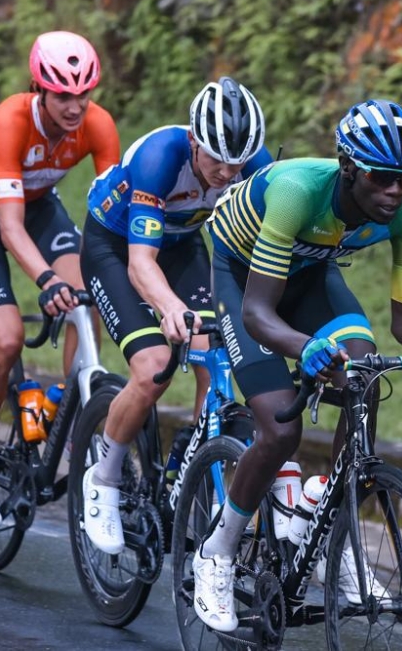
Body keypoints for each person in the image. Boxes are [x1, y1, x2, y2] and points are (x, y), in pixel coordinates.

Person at [193, 98, 402, 631]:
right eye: (382, 178)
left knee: (363, 375)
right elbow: (260, 314)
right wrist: (304, 347)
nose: (396, 192)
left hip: (311, 277)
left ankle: (335, 523)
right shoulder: (295, 191)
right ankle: (217, 551)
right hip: (242, 280)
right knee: (279, 425)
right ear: (350, 167)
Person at [79, 77, 272, 554]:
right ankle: (102, 477)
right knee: (152, 370)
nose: (227, 173)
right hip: (116, 244)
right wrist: (170, 308)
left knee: (214, 355)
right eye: (215, 160)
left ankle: (195, 461)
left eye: (237, 163)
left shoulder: (255, 166)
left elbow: (261, 251)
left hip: (183, 244)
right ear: (193, 140)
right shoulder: (160, 157)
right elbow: (140, 262)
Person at [0, 31, 120, 528]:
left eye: (83, 94)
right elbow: (8, 226)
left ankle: (73, 415)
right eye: (63, 94)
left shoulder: (99, 126)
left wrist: (120, 274)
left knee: (88, 305)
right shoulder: (10, 121)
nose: (74, 106)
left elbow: (113, 215)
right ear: (39, 88)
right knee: (6, 341)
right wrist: (46, 279)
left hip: (41, 208)